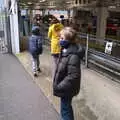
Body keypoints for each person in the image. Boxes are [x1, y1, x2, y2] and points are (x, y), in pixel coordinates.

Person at [53, 27, 85, 120]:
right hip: (66, 87)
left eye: (62, 38)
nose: (60, 40)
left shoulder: (73, 55)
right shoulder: (65, 50)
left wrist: (59, 86)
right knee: (66, 107)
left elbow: (73, 76)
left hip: (67, 88)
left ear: (69, 40)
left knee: (65, 109)